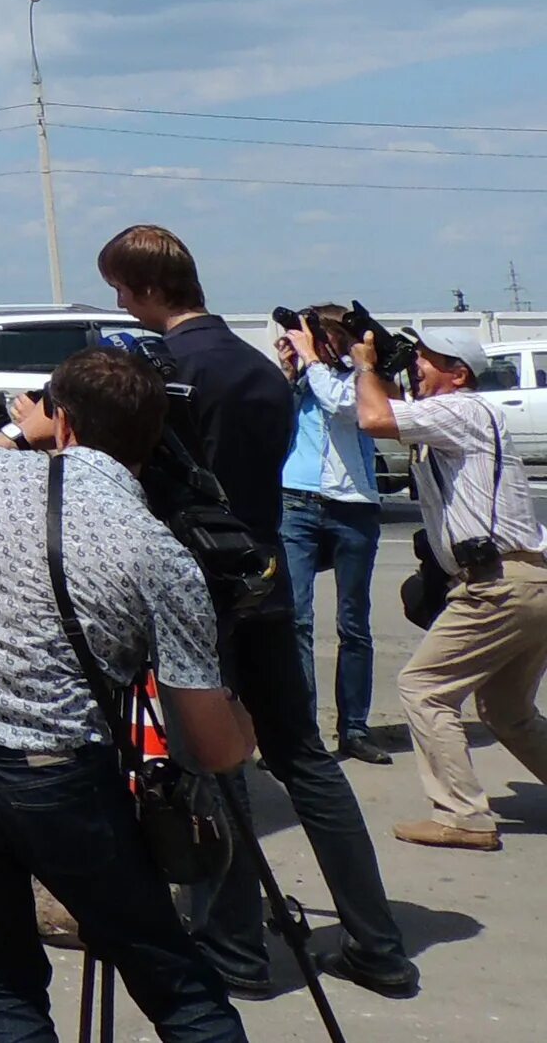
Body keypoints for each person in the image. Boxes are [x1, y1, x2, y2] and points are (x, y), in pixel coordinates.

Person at [0, 345, 254, 1043]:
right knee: (178, 986)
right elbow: (211, 748)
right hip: (53, 778)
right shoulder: (157, 551)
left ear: (62, 424)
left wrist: (13, 433)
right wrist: (248, 722)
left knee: (2, 984)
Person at [100, 225, 416, 1000]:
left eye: (121, 287)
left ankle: (232, 949)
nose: (118, 301)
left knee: (215, 765)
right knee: (304, 760)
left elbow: (146, 486)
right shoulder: (257, 368)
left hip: (198, 594)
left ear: (145, 290)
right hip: (267, 575)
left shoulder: (164, 370)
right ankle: (378, 942)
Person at [352, 321, 547, 851]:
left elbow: (373, 416)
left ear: (458, 374)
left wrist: (365, 366)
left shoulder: (459, 410)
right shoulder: (457, 415)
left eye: (428, 358)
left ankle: (464, 817)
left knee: (424, 689)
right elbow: (394, 413)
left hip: (498, 585)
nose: (417, 363)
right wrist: (384, 365)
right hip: (526, 579)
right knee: (508, 711)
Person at [276, 304, 387, 762]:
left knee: (353, 623)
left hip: (354, 506)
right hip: (296, 500)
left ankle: (355, 729)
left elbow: (348, 408)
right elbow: (267, 422)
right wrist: (286, 374)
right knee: (296, 620)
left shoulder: (361, 377)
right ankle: (302, 732)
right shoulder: (303, 379)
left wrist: (316, 362)